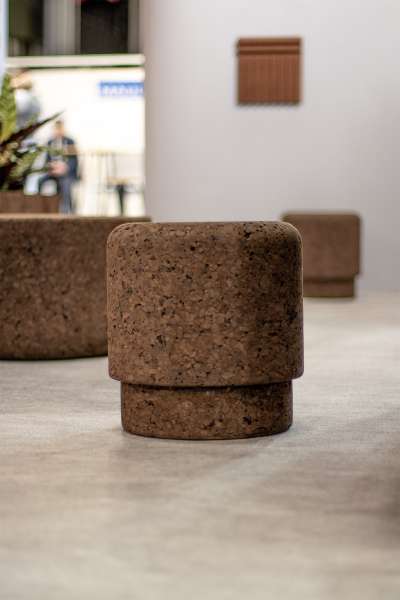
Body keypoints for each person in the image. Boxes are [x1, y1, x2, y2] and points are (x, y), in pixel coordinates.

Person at [38, 121, 79, 214]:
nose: (58, 131)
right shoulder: (50, 142)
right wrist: (51, 167)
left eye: (60, 129)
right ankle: (41, 208)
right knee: (40, 180)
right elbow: (46, 160)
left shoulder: (70, 142)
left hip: (67, 173)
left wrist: (64, 168)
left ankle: (67, 211)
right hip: (53, 172)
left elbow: (74, 161)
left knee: (66, 184)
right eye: (56, 129)